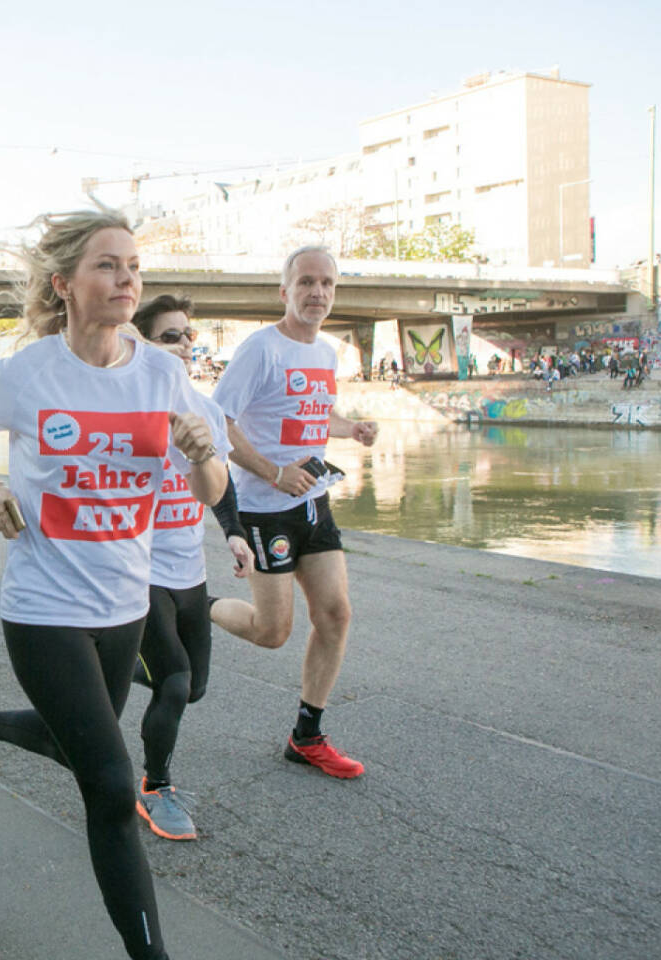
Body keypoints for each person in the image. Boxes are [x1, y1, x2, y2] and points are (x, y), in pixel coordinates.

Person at [0, 208, 226, 960]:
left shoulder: (163, 374)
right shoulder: (29, 373)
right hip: (43, 606)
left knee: (78, 746)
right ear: (65, 283)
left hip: (125, 602)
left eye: (133, 266)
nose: (126, 278)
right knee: (108, 781)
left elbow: (213, 488)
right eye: (107, 265)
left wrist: (200, 455)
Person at [209, 245, 379, 781]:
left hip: (312, 505)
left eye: (327, 283)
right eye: (306, 282)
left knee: (336, 614)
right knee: (271, 631)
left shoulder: (325, 353)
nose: (318, 293)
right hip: (263, 512)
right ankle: (197, 604)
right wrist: (271, 473)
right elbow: (220, 423)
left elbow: (309, 411)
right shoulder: (261, 350)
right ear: (284, 291)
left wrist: (350, 428)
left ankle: (307, 736)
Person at [128, 293, 234, 842]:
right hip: (140, 575)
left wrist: (235, 534)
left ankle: (118, 660)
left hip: (190, 572)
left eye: (189, 335)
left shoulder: (207, 411)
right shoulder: (127, 408)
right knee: (175, 681)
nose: (186, 345)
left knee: (195, 689)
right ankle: (155, 788)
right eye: (172, 336)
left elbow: (217, 490)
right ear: (142, 343)